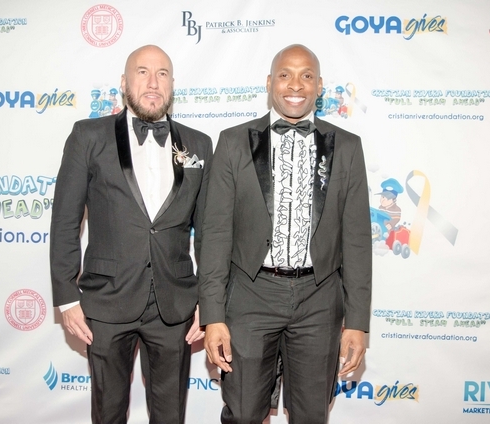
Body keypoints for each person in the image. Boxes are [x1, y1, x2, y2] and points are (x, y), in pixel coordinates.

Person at [198, 44, 372, 424]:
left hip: (319, 299)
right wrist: (212, 315)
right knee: (244, 412)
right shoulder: (232, 142)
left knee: (311, 414)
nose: (296, 84)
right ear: (269, 82)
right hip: (250, 295)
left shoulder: (347, 147)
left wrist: (358, 321)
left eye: (307, 76)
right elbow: (215, 234)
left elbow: (357, 241)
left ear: (319, 86)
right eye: (285, 75)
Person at [50, 45, 212, 424]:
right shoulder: (88, 136)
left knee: (170, 416)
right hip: (106, 301)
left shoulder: (199, 144)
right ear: (123, 82)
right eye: (142, 72)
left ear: (172, 85)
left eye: (162, 74)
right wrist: (66, 298)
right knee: (108, 414)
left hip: (174, 305)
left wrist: (209, 300)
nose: (153, 82)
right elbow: (65, 221)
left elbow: (209, 232)